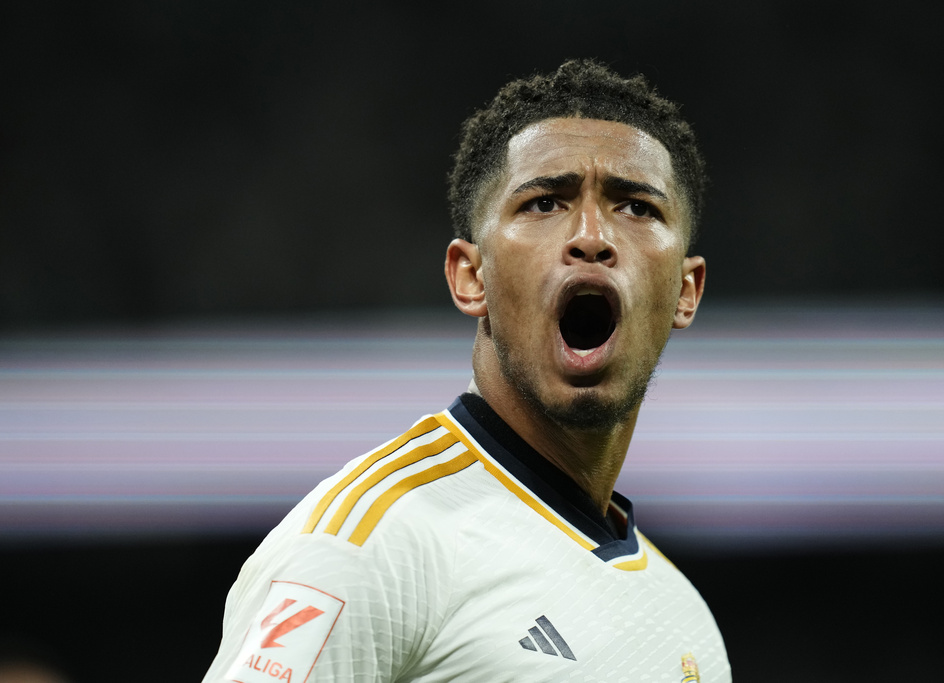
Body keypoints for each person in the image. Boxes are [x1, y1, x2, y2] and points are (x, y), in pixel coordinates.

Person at [203, 59, 730, 682]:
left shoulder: (684, 617)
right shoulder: (370, 542)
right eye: (544, 203)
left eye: (637, 208)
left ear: (686, 292)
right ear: (471, 276)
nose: (591, 235)